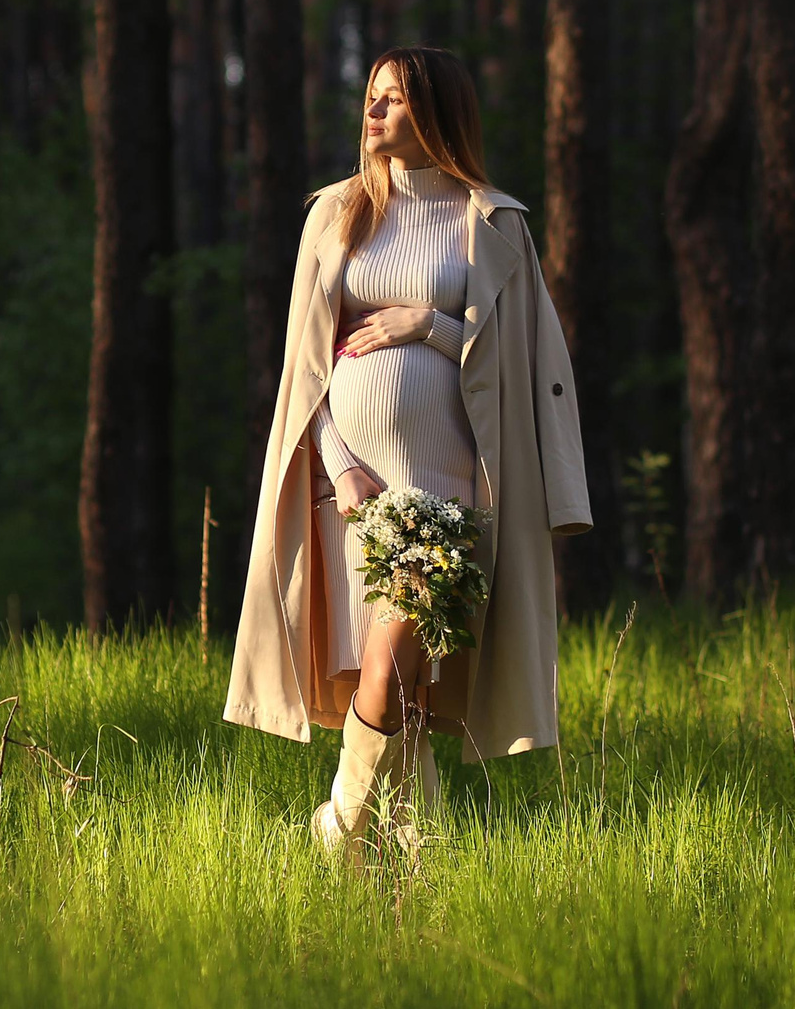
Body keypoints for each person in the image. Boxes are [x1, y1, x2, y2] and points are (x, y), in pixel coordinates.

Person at [224, 45, 593, 860]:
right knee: (398, 692)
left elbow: (523, 359)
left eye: (394, 98)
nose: (374, 110)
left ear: (436, 114)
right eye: (372, 96)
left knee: (394, 664)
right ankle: (412, 865)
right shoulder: (336, 213)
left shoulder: (490, 222)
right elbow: (304, 371)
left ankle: (336, 828)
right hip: (350, 490)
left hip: (450, 492)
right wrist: (336, 460)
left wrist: (426, 324)